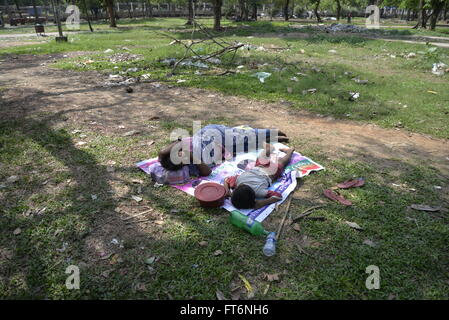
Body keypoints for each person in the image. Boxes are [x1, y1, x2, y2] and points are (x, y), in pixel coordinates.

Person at [158, 124, 289, 175]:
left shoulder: (182, 144)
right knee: (245, 145)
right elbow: (207, 172)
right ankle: (273, 138)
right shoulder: (190, 166)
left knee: (244, 135)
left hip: (215, 134)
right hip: (223, 148)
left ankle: (271, 132)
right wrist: (192, 157)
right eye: (182, 160)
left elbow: (162, 152)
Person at [223, 144, 294, 209]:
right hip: (260, 167)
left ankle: (289, 151)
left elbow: (278, 196)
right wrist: (227, 190)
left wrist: (263, 202)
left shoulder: (259, 192)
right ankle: (273, 149)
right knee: (266, 157)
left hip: (269, 171)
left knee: (282, 161)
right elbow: (226, 180)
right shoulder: (237, 181)